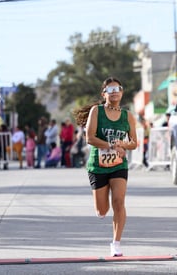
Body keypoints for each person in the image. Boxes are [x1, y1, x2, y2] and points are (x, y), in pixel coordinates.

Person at [73, 76, 137, 257]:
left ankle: (116, 243)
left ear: (122, 92)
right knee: (102, 210)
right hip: (98, 165)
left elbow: (134, 143)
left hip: (118, 165)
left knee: (119, 201)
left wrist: (123, 145)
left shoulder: (128, 116)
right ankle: (101, 210)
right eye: (110, 89)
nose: (114, 91)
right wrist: (111, 145)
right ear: (104, 93)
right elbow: (90, 138)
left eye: (118, 88)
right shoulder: (96, 111)